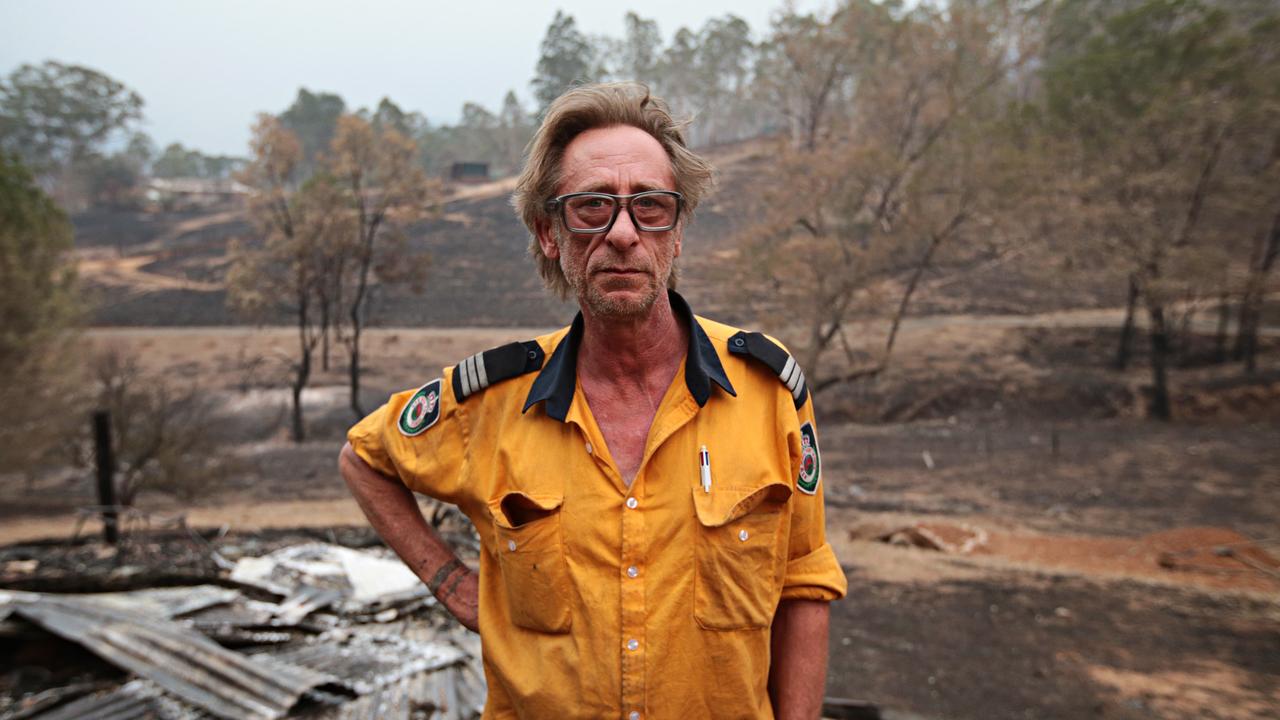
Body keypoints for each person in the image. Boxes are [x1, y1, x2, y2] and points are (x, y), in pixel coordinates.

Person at [339, 82, 847, 719]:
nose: (624, 234)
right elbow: (364, 458)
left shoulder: (768, 393)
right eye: (591, 207)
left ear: (678, 230)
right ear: (550, 233)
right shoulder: (491, 403)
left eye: (651, 207)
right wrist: (453, 585)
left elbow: (804, 582)